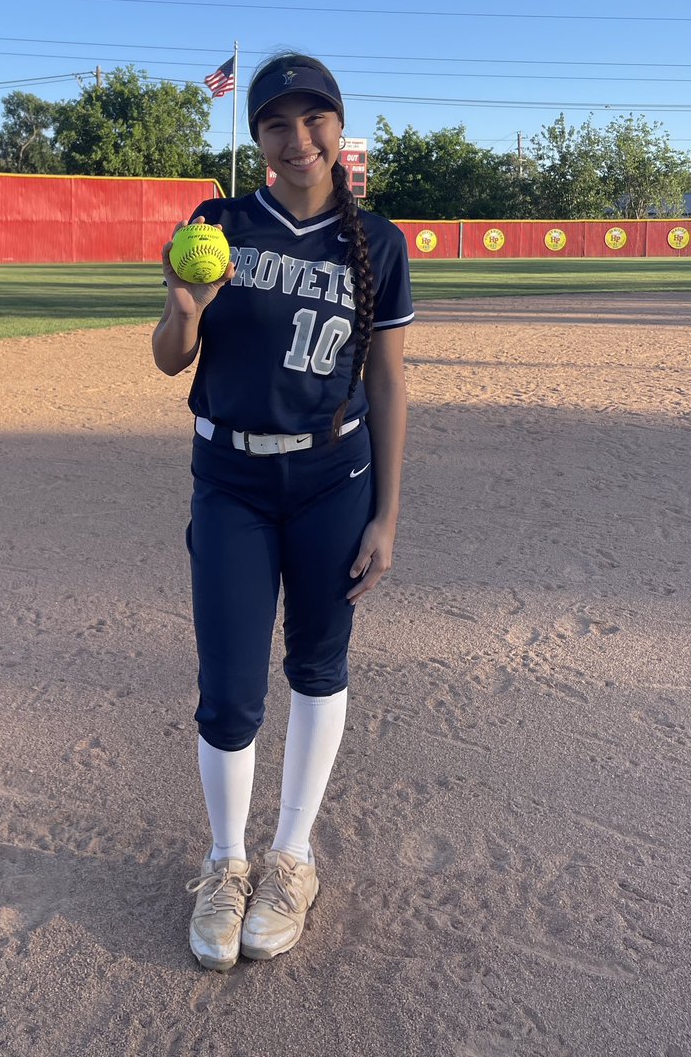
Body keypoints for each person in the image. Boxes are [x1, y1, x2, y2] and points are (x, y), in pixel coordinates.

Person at [152, 52, 414, 971]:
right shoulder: (217, 225)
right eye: (277, 124)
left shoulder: (376, 241)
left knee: (318, 665)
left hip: (333, 484)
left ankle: (290, 857)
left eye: (315, 120)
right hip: (229, 480)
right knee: (228, 690)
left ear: (339, 130)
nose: (297, 139)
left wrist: (386, 513)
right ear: (257, 138)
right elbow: (169, 359)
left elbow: (385, 379)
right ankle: (227, 864)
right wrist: (186, 307)